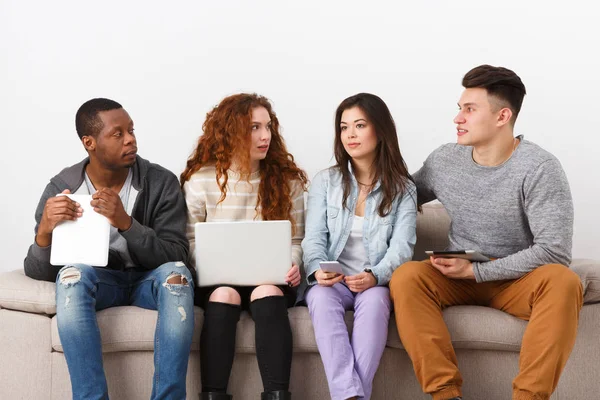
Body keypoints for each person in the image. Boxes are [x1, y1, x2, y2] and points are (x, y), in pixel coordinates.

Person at [389, 65, 583, 400]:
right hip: (456, 277)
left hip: (516, 280)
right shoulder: (446, 160)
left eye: (469, 109)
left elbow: (555, 250)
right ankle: (446, 395)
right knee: (407, 277)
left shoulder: (539, 168)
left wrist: (479, 271)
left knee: (564, 281)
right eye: (459, 108)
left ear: (502, 116)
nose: (457, 118)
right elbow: (397, 197)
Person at [24, 98, 195, 400]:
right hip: (100, 284)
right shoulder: (62, 187)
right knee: (70, 277)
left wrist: (126, 223)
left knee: (177, 276)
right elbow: (40, 272)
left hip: (148, 281)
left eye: (131, 130)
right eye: (118, 134)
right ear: (89, 142)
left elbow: (177, 254)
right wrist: (44, 232)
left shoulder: (160, 181)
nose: (131, 139)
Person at [181, 93, 308, 400]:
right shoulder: (201, 180)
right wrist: (211, 261)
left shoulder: (288, 181)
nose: (265, 136)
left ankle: (277, 395)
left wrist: (293, 264)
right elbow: (189, 240)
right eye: (254, 127)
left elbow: (296, 239)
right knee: (225, 293)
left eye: (267, 127)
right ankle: (213, 395)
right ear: (229, 132)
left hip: (271, 279)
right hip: (217, 279)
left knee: (268, 291)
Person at [301, 93, 418, 400]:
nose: (349, 134)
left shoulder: (404, 189)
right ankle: (352, 396)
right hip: (335, 282)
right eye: (343, 127)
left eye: (359, 125)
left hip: (374, 281)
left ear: (379, 130)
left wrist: (375, 275)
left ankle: (350, 396)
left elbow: (401, 250)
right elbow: (313, 239)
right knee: (320, 297)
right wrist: (316, 269)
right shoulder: (325, 182)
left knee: (378, 301)